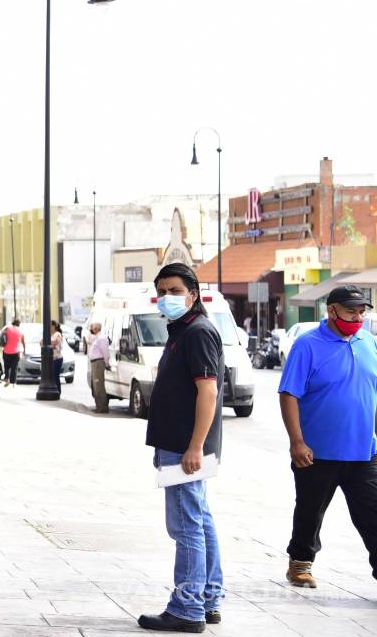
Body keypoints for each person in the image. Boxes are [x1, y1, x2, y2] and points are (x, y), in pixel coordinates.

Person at [138, 263, 224, 633]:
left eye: (174, 290)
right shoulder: (183, 330)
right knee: (199, 519)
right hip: (180, 444)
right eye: (161, 291)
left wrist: (195, 446)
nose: (166, 297)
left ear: (193, 293)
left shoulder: (197, 332)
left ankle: (188, 608)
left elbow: (208, 392)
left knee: (186, 525)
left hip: (185, 448)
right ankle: (208, 598)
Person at [277, 284, 377, 589]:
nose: (357, 317)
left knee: (373, 515)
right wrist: (297, 442)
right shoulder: (307, 345)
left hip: (364, 451)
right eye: (351, 311)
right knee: (310, 512)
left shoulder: (368, 342)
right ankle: (300, 563)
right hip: (316, 451)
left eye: (361, 311)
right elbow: (289, 393)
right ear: (331, 310)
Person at [87, 322, 111, 414]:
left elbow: (105, 352)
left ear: (96, 328)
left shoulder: (102, 338)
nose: (90, 329)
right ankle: (99, 406)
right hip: (95, 363)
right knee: (96, 386)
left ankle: (102, 407)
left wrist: (107, 363)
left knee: (98, 386)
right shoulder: (97, 337)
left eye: (91, 327)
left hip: (98, 363)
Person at [1, 319, 23, 387]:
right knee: (14, 368)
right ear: (19, 324)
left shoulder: (7, 328)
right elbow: (23, 341)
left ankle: (7, 379)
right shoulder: (20, 330)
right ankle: (13, 383)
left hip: (6, 351)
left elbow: (1, 336)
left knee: (6, 367)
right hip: (16, 352)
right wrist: (24, 350)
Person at [48, 320, 64, 390]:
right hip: (50, 358)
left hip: (57, 358)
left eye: (50, 326)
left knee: (55, 376)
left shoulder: (57, 334)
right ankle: (53, 390)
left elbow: (56, 342)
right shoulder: (48, 334)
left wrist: (47, 342)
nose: (49, 327)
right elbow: (41, 342)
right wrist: (50, 343)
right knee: (51, 376)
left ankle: (58, 391)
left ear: (54, 326)